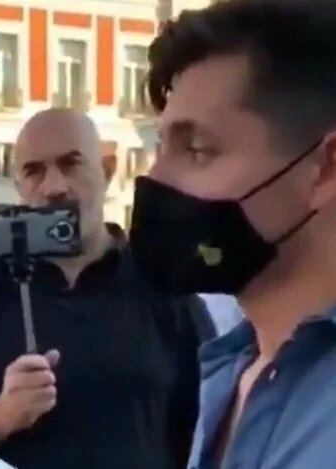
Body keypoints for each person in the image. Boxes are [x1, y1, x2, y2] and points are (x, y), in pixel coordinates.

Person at [0, 108, 214, 469]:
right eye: (34, 171)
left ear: (107, 171)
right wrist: (0, 416)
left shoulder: (165, 287)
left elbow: (213, 434)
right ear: (19, 188)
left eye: (71, 164)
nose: (54, 187)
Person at [128, 1, 336, 467]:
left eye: (197, 150)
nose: (156, 179)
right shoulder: (230, 365)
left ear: (325, 168)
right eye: (161, 147)